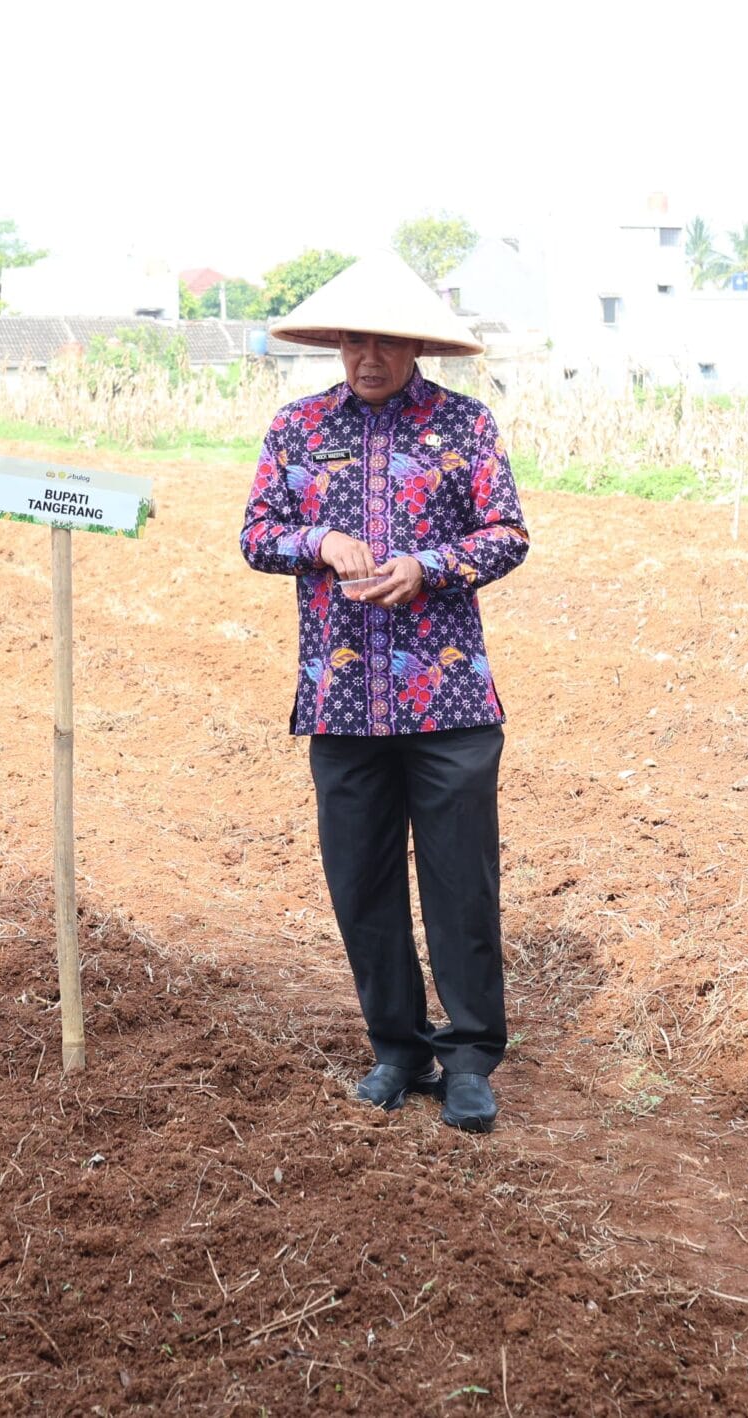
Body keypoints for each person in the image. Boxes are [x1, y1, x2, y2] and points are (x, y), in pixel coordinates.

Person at [239, 255, 529, 1133]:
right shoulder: (297, 429)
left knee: (460, 885)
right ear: (335, 342)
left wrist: (429, 568)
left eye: (386, 341)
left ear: (416, 347)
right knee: (361, 883)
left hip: (450, 703)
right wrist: (321, 540)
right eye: (353, 339)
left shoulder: (465, 426)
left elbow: (508, 533)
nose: (367, 356)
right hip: (340, 694)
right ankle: (396, 1048)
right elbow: (256, 534)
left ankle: (470, 1057)